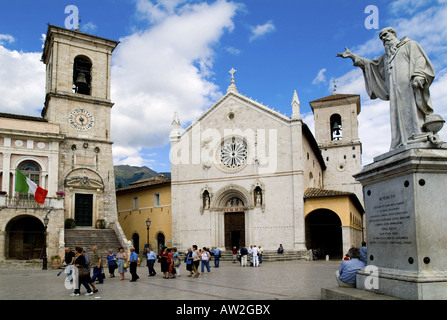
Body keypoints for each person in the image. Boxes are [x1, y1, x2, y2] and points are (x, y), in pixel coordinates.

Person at [337, 27, 438, 150]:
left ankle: (418, 134)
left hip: (410, 87)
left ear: (393, 34)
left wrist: (418, 76)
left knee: (412, 109)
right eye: (381, 38)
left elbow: (420, 60)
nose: (384, 39)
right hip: (395, 91)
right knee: (397, 115)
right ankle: (401, 140)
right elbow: (370, 64)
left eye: (385, 35)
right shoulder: (386, 57)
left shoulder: (410, 45)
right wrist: (353, 56)